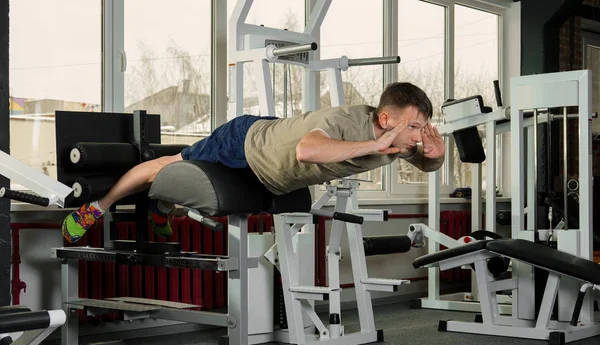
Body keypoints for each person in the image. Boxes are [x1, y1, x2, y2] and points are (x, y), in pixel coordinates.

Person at [61, 82, 445, 244]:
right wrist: (371, 146)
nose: (418, 136)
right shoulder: (345, 122)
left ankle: (162, 206)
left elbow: (427, 166)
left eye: (423, 128)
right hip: (243, 142)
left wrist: (436, 155)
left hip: (269, 173)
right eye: (414, 126)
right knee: (166, 167)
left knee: (194, 185)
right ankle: (96, 208)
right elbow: (307, 151)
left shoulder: (401, 140)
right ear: (384, 120)